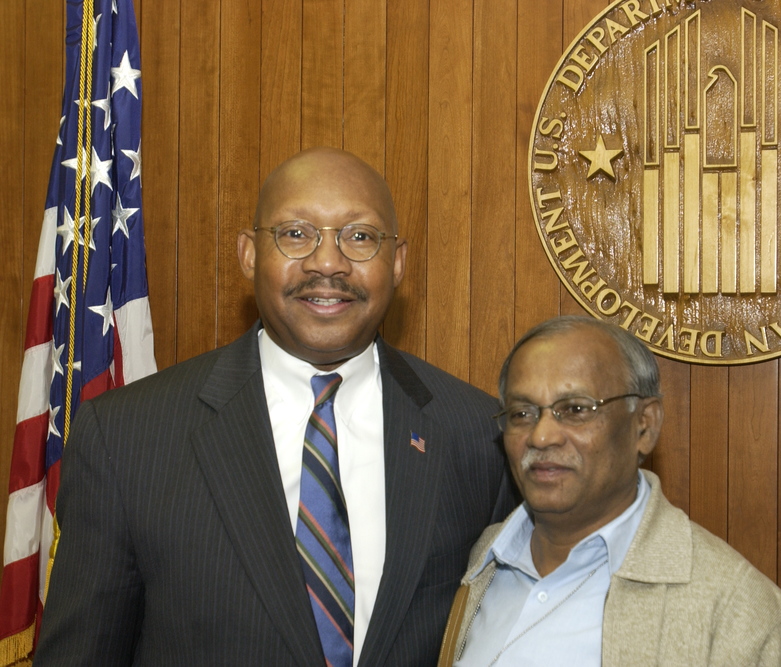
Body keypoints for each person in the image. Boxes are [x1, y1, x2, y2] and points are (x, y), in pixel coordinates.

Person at [34, 148, 515, 667]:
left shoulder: (477, 435)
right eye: (295, 234)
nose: (327, 263)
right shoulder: (127, 436)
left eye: (359, 237)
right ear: (248, 254)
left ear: (396, 262)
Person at [439, 316, 781, 667]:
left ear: (645, 425)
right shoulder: (483, 564)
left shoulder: (738, 610)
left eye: (575, 409)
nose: (541, 436)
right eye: (522, 413)